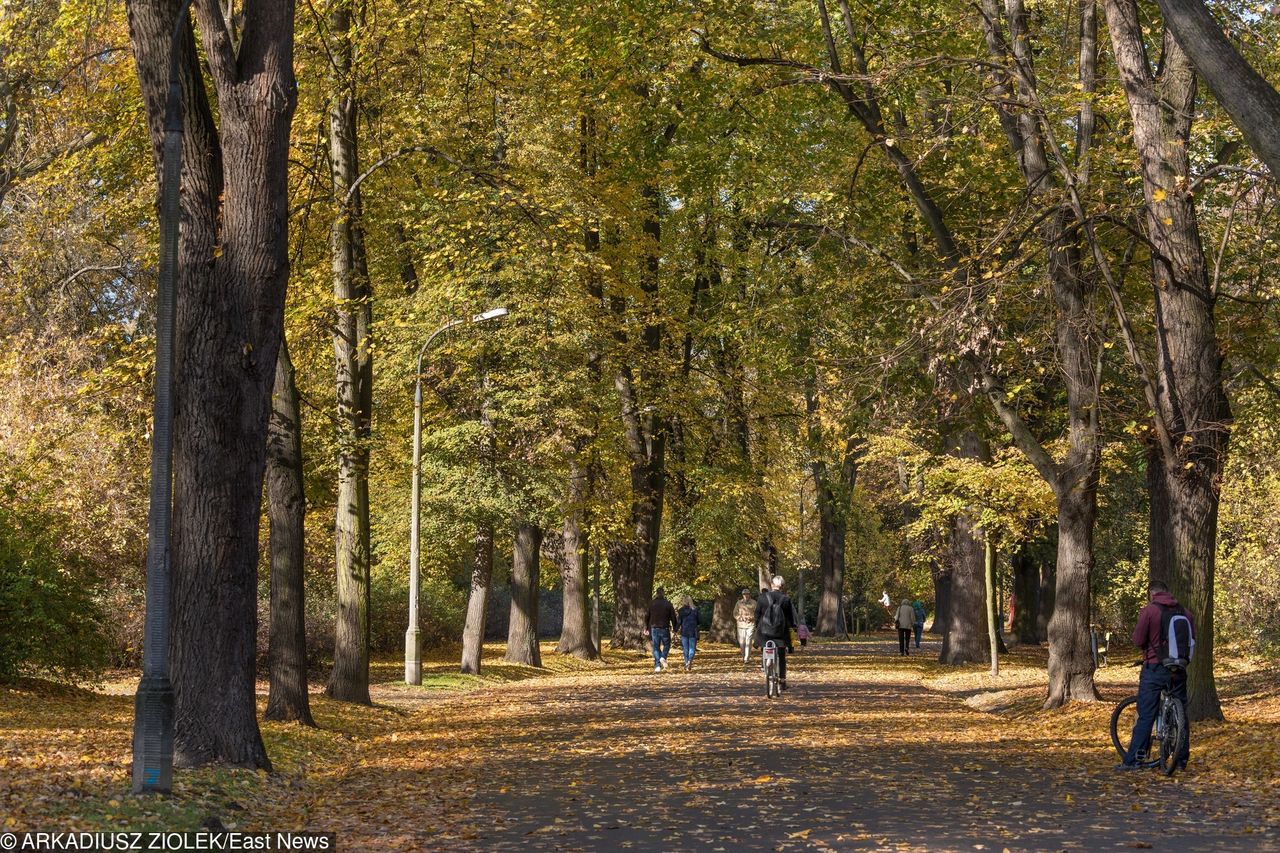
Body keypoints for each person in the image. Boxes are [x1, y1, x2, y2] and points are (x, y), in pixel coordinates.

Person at [1118, 580, 1194, 770]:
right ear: (1167, 592)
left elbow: (1138, 639)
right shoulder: (1186, 613)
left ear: (1151, 593)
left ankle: (1133, 760)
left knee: (1146, 714)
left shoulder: (1149, 611)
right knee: (1181, 714)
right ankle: (1181, 759)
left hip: (1154, 667)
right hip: (1179, 668)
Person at [755, 575, 798, 689]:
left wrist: (757, 626)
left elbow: (757, 615)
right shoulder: (786, 599)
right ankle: (782, 681)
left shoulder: (762, 598)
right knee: (781, 655)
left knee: (765, 647)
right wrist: (792, 627)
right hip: (780, 634)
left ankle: (765, 664)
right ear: (782, 586)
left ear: (772, 585)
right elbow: (790, 618)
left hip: (764, 633)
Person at [647, 587, 678, 673]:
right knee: (667, 645)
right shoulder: (668, 604)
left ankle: (657, 666)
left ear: (656, 593)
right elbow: (673, 617)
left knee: (656, 647)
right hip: (665, 627)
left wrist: (646, 627)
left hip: (654, 628)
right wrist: (675, 627)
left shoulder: (651, 604)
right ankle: (663, 657)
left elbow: (647, 616)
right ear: (663, 593)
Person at [733, 588, 756, 664]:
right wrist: (740, 617)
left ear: (749, 595)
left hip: (750, 624)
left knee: (748, 641)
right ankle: (743, 656)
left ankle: (747, 658)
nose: (746, 595)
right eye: (744, 594)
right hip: (741, 625)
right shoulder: (739, 603)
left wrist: (752, 617)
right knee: (742, 642)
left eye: (747, 594)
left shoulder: (754, 603)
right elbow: (735, 613)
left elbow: (757, 613)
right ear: (742, 595)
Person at [677, 595, 699, 671]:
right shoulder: (695, 609)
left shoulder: (681, 610)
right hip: (693, 631)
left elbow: (679, 622)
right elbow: (699, 621)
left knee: (685, 648)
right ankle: (690, 660)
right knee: (692, 648)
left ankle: (686, 663)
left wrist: (675, 629)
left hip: (684, 631)